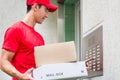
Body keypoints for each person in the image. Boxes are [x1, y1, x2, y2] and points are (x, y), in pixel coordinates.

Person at [0, 0, 58, 80]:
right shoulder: (16, 30)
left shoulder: (40, 38)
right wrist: (22, 77)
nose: (47, 15)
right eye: (46, 10)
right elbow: (3, 62)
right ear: (35, 7)